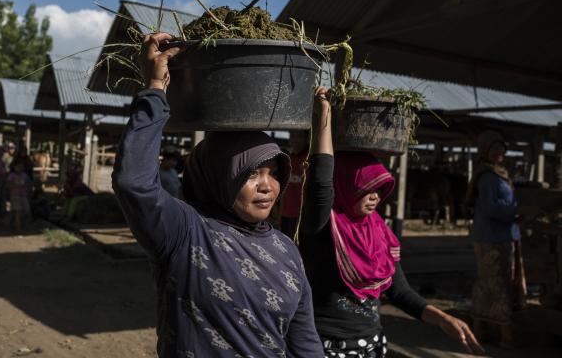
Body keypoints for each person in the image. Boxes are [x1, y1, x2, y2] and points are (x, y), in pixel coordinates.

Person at [112, 32, 323, 357]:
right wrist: (155, 90)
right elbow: (133, 183)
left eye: (274, 172)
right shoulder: (186, 232)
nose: (267, 185)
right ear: (217, 176)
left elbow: (306, 346)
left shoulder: (286, 251)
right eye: (251, 173)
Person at [298, 88, 484, 358]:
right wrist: (324, 114)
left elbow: (400, 292)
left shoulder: (379, 233)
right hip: (327, 346)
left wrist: (443, 318)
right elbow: (320, 178)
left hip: (372, 345)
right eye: (366, 187)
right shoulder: (322, 226)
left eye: (379, 189)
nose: (375, 196)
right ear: (345, 185)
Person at [467, 130, 526, 347]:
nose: (500, 151)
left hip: (503, 234)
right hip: (492, 237)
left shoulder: (498, 173)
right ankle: (503, 334)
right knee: (497, 283)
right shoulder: (488, 176)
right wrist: (518, 211)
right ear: (485, 150)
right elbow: (492, 207)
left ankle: (483, 330)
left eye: (502, 147)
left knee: (495, 282)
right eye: (495, 147)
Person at [279, 130, 309, 239]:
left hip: (302, 218)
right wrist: (279, 215)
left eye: (299, 136)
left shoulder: (309, 161)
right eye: (292, 136)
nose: (295, 140)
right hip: (285, 216)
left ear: (306, 139)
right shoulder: (287, 160)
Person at [7, 161, 31, 232]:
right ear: (14, 167)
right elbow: (8, 185)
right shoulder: (12, 176)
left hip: (23, 195)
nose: (20, 168)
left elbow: (28, 183)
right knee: (18, 211)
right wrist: (17, 186)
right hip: (15, 195)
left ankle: (16, 223)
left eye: (21, 167)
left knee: (26, 210)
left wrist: (27, 188)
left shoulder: (25, 175)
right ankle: (18, 227)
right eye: (18, 166)